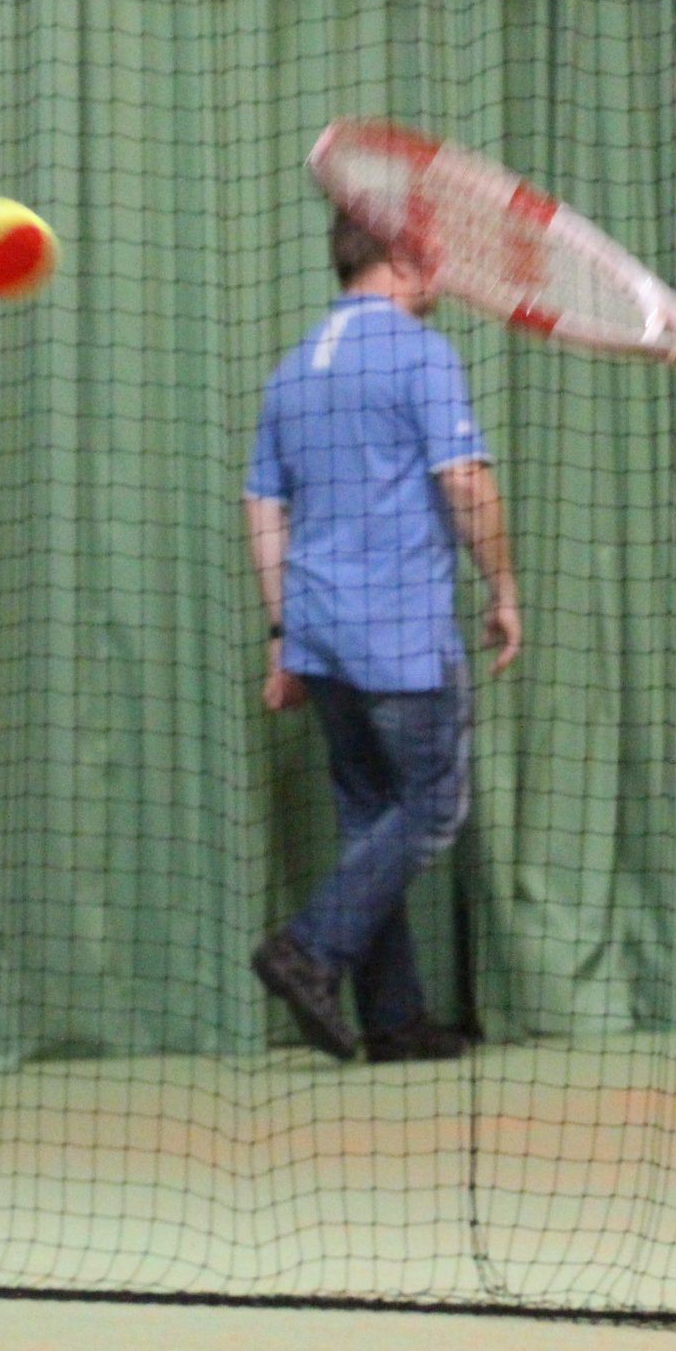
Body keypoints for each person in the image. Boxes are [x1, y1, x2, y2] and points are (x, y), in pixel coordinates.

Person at [242, 211, 524, 1063]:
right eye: (431, 248)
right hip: (399, 630)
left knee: (371, 820)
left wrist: (284, 631)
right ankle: (309, 950)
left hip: (321, 634)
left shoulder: (292, 371)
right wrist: (504, 587)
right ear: (400, 257)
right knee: (433, 808)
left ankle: (395, 1020)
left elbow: (262, 507)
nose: (441, 264)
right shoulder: (421, 353)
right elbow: (466, 481)